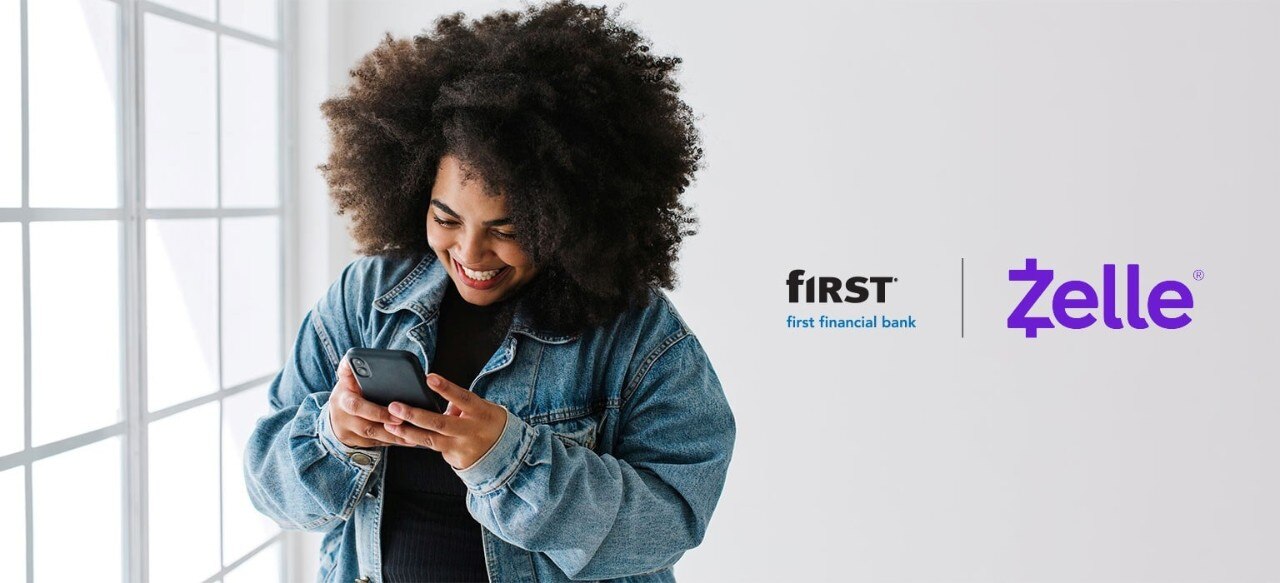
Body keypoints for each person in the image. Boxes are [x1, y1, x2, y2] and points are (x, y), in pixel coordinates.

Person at [242, 2, 736, 582]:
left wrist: (509, 463)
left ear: (568, 217)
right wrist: (335, 436)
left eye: (509, 230)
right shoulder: (365, 297)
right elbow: (268, 485)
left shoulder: (637, 335)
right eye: (446, 218)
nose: (470, 255)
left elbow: (671, 520)